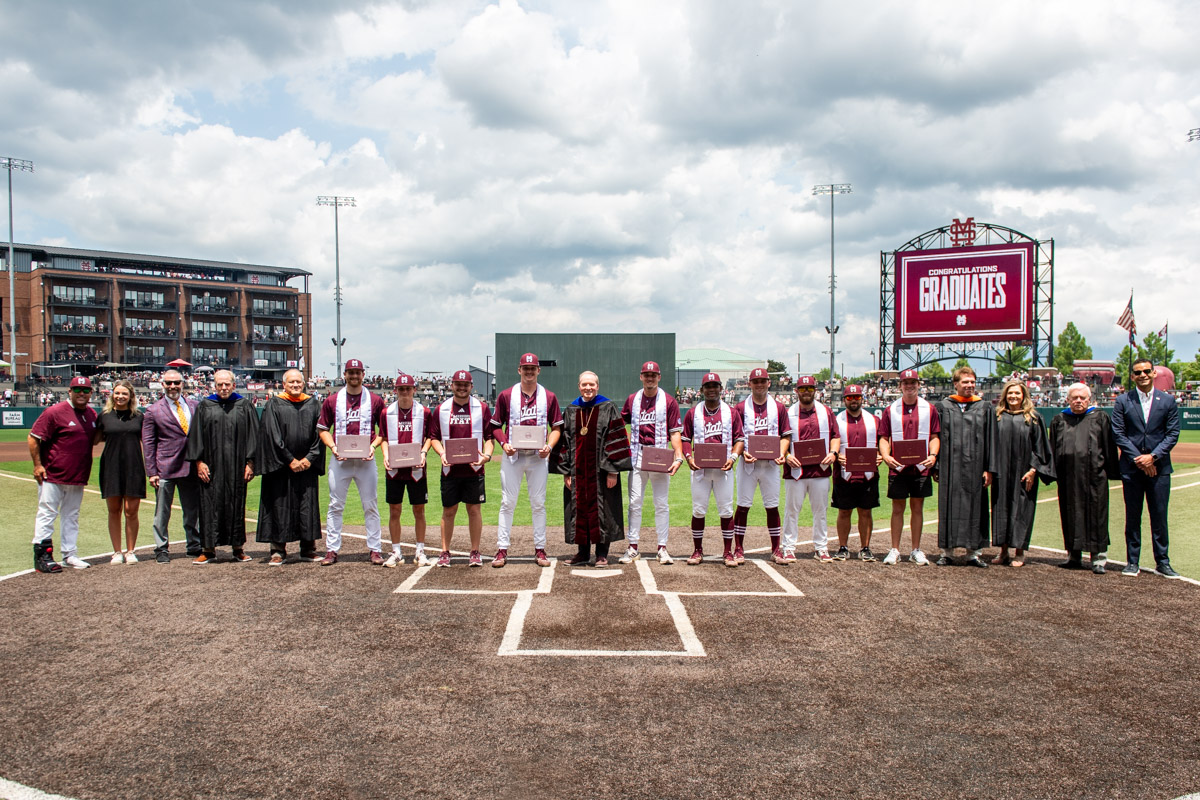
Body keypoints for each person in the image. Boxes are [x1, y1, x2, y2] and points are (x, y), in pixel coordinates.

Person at [490, 353, 563, 569]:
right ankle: (502, 549)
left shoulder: (548, 396)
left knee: (538, 503)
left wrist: (549, 447)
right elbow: (495, 425)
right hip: (513, 456)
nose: (529, 372)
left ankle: (540, 548)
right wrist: (504, 444)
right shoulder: (506, 395)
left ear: (538, 370)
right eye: (525, 368)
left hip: (538, 458)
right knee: (507, 502)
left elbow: (557, 427)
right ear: (519, 370)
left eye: (533, 368)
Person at [552, 371, 632, 567]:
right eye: (584, 385)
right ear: (579, 386)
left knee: (603, 510)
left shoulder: (608, 407)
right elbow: (564, 442)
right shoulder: (572, 410)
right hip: (577, 473)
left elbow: (616, 438)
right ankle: (582, 553)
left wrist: (613, 470)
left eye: (592, 385)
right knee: (578, 510)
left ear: (598, 386)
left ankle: (602, 554)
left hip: (602, 472)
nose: (588, 388)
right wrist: (566, 472)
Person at [1111, 359, 1181, 579]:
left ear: (1154, 374)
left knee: (1159, 516)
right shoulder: (1123, 400)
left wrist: (1153, 457)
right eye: (1137, 372)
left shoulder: (1168, 401)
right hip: (1131, 469)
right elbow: (1118, 433)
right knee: (1133, 516)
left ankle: (1163, 562)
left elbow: (1172, 434)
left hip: (1160, 468)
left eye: (1146, 371)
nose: (1142, 375)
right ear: (1132, 376)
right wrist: (1139, 459)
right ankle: (1132, 561)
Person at [316, 358, 387, 566]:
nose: (354, 376)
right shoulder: (332, 400)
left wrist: (373, 447)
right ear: (345, 375)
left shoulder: (374, 400)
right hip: (341, 460)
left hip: (365, 461)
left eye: (358, 372)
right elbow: (322, 429)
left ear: (363, 374)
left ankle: (375, 549)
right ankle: (332, 549)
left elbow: (383, 432)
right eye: (351, 372)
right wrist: (334, 447)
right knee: (335, 505)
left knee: (370, 504)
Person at [184, 369, 259, 564]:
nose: (224, 388)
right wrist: (199, 463)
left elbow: (254, 435)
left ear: (234, 385)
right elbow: (196, 437)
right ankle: (208, 550)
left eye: (227, 384)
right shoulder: (205, 406)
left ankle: (238, 548)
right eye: (220, 385)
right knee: (209, 506)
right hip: (211, 466)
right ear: (214, 386)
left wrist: (251, 463)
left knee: (236, 504)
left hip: (237, 466)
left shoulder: (244, 405)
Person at [1047, 383, 1120, 574]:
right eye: (1074, 398)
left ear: (1089, 400)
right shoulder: (1059, 420)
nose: (1078, 401)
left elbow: (1109, 447)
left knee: (1097, 515)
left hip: (1094, 478)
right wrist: (1051, 473)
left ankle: (1098, 559)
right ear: (1067, 400)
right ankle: (1073, 556)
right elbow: (1053, 449)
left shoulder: (1100, 418)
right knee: (1070, 514)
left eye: (1082, 398)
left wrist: (1111, 471)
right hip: (1068, 478)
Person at [29, 376, 99, 572]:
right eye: (77, 390)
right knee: (47, 513)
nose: (81, 393)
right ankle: (42, 554)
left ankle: (70, 554)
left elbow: (94, 440)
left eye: (85, 390)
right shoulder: (54, 412)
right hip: (52, 474)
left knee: (71, 515)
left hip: (77, 475)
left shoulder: (92, 414)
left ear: (91, 393)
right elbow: (33, 438)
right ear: (70, 391)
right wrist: (37, 465)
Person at [256, 369, 324, 565]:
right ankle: (278, 549)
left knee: (306, 506)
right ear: (283, 385)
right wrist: (290, 459)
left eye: (298, 382)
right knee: (279, 505)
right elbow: (271, 435)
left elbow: (320, 434)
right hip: (281, 467)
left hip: (306, 467)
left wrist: (309, 458)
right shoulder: (274, 404)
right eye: (291, 382)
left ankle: (308, 549)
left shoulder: (313, 404)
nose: (295, 385)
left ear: (304, 384)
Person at [428, 370, 494, 567]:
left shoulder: (481, 408)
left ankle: (475, 551)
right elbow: (434, 438)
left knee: (474, 510)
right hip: (450, 470)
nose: (462, 387)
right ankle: (445, 551)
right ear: (452, 385)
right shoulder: (442, 409)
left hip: (474, 470)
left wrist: (487, 456)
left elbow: (489, 438)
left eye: (465, 384)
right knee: (449, 511)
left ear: (471, 386)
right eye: (458, 384)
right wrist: (441, 454)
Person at [620, 360, 684, 564]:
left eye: (653, 375)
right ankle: (632, 547)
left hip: (660, 458)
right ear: (641, 377)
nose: (649, 378)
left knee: (661, 504)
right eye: (646, 375)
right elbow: (622, 424)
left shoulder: (669, 401)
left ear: (659, 377)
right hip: (638, 458)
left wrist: (678, 456)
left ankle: (662, 547)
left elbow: (675, 432)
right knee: (634, 503)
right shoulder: (633, 399)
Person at [932, 366, 994, 568]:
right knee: (948, 506)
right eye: (965, 382)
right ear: (956, 384)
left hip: (976, 468)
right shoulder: (943, 407)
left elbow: (992, 441)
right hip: (950, 467)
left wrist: (989, 468)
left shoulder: (984, 407)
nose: (969, 385)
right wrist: (937, 466)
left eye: (972, 382)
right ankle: (947, 552)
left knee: (976, 507)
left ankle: (973, 553)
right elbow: (936, 438)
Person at [682, 373, 744, 567]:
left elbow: (740, 439)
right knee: (699, 510)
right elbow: (685, 439)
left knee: (726, 510)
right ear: (702, 390)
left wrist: (733, 457)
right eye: (708, 386)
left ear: (720, 388)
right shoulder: (693, 412)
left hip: (723, 469)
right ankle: (697, 550)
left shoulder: (731, 412)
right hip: (700, 470)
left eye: (715, 385)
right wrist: (689, 457)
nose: (711, 389)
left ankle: (727, 552)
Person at [878, 369, 940, 566]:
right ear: (900, 386)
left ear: (919, 385)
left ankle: (915, 549)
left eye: (913, 382)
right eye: (906, 383)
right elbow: (884, 437)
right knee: (897, 508)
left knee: (917, 507)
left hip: (921, 467)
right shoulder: (891, 409)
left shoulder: (929, 409)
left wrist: (933, 455)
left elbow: (934, 437)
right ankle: (895, 549)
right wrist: (886, 455)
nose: (910, 386)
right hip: (899, 467)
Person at [990, 380, 1053, 567]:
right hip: (1001, 471)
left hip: (1024, 472)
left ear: (1024, 395)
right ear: (1005, 396)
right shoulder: (997, 417)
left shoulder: (1033, 418)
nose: (1013, 397)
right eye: (1010, 393)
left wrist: (1034, 470)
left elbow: (1041, 447)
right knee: (1001, 508)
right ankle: (1003, 551)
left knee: (1022, 510)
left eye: (1017, 393)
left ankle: (1019, 552)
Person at [142, 369, 201, 562]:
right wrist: (152, 472)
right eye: (169, 383)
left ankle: (194, 545)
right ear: (163, 385)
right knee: (162, 511)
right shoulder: (153, 410)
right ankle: (161, 548)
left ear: (183, 384)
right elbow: (149, 444)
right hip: (165, 467)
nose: (173, 386)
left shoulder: (194, 406)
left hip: (190, 466)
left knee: (192, 509)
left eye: (176, 383)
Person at [733, 368, 791, 563]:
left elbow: (785, 436)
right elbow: (737, 437)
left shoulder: (779, 408)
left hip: (771, 465)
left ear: (769, 383)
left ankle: (776, 549)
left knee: (772, 506)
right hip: (748, 464)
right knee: (743, 506)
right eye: (755, 381)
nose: (759, 384)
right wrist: (743, 452)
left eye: (762, 381)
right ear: (749, 384)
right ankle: (739, 549)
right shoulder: (741, 408)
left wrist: (781, 453)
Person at [781, 375, 840, 564]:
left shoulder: (826, 412)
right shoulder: (788, 413)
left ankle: (821, 547)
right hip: (795, 471)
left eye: (810, 388)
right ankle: (788, 547)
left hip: (820, 469)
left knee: (820, 510)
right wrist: (788, 456)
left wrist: (833, 453)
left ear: (815, 390)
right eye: (803, 388)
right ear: (796, 391)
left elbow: (835, 436)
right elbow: (779, 438)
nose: (806, 391)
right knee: (791, 510)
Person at [380, 373, 433, 567]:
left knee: (419, 510)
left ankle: (420, 550)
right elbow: (384, 438)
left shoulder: (424, 412)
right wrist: (385, 456)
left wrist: (424, 453)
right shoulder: (387, 413)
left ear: (414, 390)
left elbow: (430, 437)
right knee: (394, 510)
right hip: (394, 469)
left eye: (408, 389)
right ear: (396, 390)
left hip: (416, 470)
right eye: (401, 389)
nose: (404, 392)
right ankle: (396, 551)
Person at [96, 379, 146, 564]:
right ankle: (117, 551)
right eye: (117, 393)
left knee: (131, 511)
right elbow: (94, 439)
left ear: (131, 396)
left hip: (134, 467)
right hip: (111, 467)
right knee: (114, 510)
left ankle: (130, 551)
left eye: (124, 393)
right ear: (112, 395)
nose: (120, 396)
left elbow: (147, 443)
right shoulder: (104, 416)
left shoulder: (139, 417)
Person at [832, 384, 882, 562]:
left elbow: (883, 441)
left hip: (868, 473)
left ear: (862, 398)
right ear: (844, 399)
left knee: (866, 511)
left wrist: (881, 455)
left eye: (857, 397)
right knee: (844, 511)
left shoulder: (873, 420)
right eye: (850, 398)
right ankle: (843, 547)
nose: (853, 401)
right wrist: (836, 456)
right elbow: (831, 443)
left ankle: (865, 547)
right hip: (844, 474)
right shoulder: (837, 420)